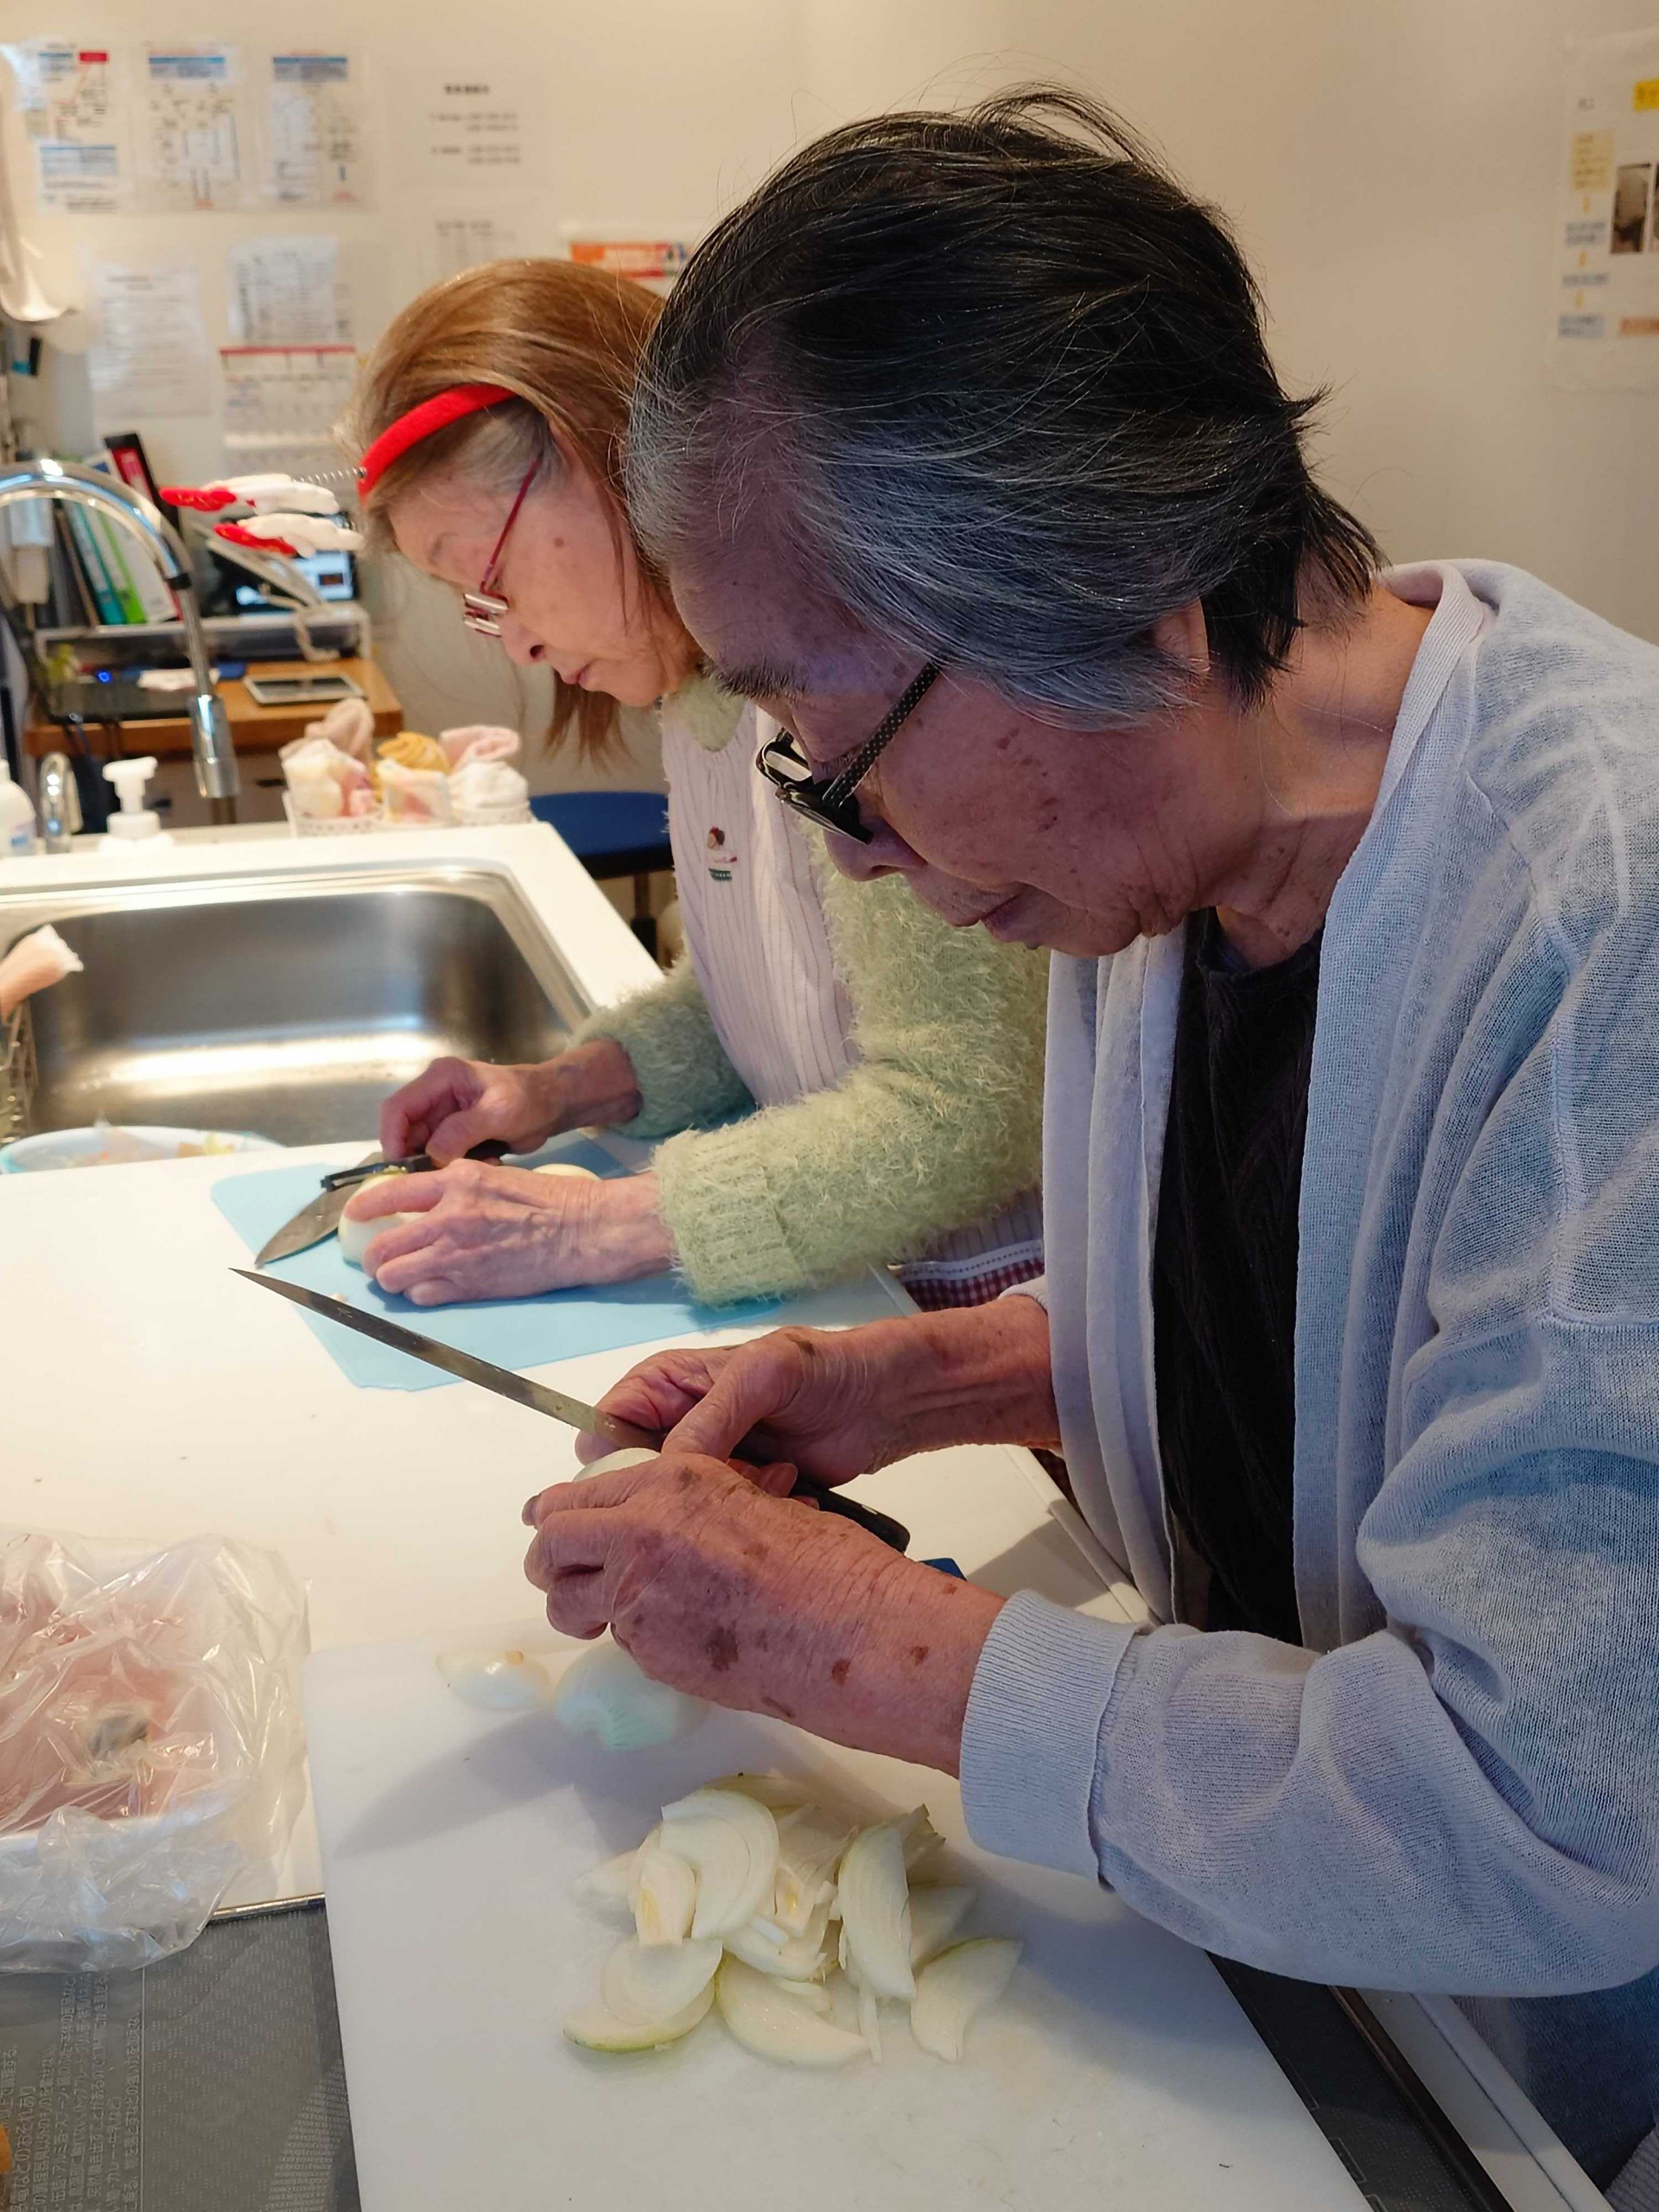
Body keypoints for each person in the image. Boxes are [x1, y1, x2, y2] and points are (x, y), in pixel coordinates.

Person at [520, 92, 1659, 2197]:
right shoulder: (1163, 828)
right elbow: (1339, 1309)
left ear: (1135, 596)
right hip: (1276, 1950)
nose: (848, 849)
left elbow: (1549, 1806)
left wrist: (855, 1643)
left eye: (838, 748)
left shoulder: (1610, 920)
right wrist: (922, 1375)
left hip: (1529, 2078)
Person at [341, 258, 1046, 1310]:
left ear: (602, 455)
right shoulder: (699, 700)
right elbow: (774, 1002)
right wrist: (559, 1090)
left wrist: (593, 1224)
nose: (516, 643)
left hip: (998, 1304)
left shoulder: (849, 689)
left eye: (489, 581)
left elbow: (965, 1107)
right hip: (857, 1286)